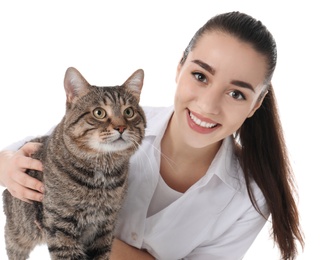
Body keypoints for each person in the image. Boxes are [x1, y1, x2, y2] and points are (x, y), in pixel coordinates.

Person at [0, 11, 304, 260]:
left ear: (256, 105)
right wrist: (8, 166)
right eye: (200, 76)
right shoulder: (94, 134)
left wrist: (73, 231)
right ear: (179, 67)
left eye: (236, 93)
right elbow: (17, 158)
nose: (208, 105)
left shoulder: (249, 199)